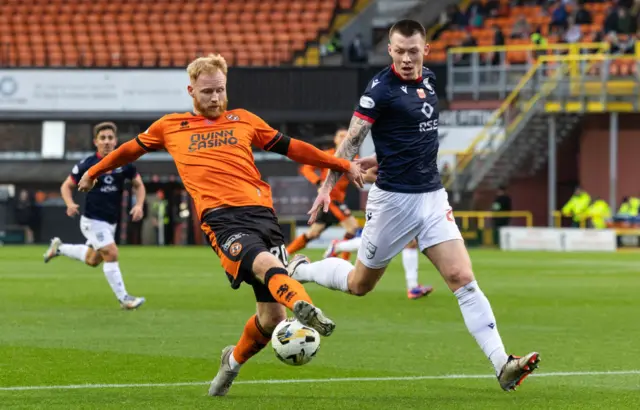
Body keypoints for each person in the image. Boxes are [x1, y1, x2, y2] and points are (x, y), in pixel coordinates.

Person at [75, 54, 364, 397]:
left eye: (220, 91)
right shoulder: (169, 126)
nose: (215, 98)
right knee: (264, 263)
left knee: (271, 319)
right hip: (221, 219)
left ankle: (232, 361)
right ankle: (305, 306)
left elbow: (294, 148)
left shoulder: (243, 120)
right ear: (191, 90)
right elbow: (127, 151)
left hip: (262, 215)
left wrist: (340, 163)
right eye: (208, 91)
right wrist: (93, 172)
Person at [288, 19, 540, 392]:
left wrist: (383, 158)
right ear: (390, 50)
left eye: (413, 51)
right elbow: (352, 141)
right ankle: (302, 269)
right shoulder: (379, 89)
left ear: (426, 50)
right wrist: (329, 185)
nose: (406, 58)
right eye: (399, 51)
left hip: (432, 197)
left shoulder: (430, 80)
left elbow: (410, 139)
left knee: (462, 279)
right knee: (359, 284)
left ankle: (502, 363)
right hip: (392, 202)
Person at [43, 121, 147, 310]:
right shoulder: (87, 164)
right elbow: (67, 185)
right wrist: (69, 203)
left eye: (110, 138)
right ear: (95, 142)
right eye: (102, 138)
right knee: (111, 253)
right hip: (92, 221)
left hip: (111, 222)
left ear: (115, 141)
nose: (106, 142)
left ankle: (59, 248)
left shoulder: (124, 163)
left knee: (93, 260)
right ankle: (124, 299)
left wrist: (139, 205)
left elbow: (139, 185)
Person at [324, 166, 434, 300]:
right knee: (380, 242)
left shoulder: (407, 153)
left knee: (408, 242)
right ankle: (338, 247)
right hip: (386, 201)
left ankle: (413, 287)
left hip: (402, 200)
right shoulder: (388, 153)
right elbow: (365, 176)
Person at [286, 127, 360, 260]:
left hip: (337, 200)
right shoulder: (327, 155)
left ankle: (285, 253)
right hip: (331, 199)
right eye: (340, 136)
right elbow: (306, 168)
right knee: (353, 228)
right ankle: (343, 261)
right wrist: (318, 182)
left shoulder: (354, 158)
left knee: (313, 233)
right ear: (335, 139)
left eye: (346, 136)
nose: (343, 138)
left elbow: (361, 175)